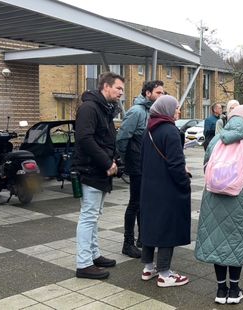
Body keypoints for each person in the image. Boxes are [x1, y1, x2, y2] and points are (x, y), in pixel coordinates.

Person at [195, 105, 243, 305]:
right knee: (236, 242)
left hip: (213, 198)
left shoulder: (216, 141)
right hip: (240, 200)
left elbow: (206, 167)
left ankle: (220, 290)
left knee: (217, 242)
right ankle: (234, 290)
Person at [73, 72, 124, 279]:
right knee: (88, 216)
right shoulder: (89, 108)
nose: (121, 92)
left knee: (94, 215)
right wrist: (106, 162)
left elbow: (107, 139)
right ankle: (84, 263)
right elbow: (84, 138)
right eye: (118, 88)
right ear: (106, 86)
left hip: (100, 171)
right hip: (90, 170)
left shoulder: (104, 109)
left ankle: (93, 255)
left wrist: (115, 161)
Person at [139, 95, 191, 287]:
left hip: (149, 187)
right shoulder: (170, 131)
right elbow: (176, 164)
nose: (179, 111)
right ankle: (165, 274)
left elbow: (142, 159)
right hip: (167, 189)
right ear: (167, 109)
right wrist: (185, 182)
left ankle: (148, 268)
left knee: (150, 225)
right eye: (177, 108)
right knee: (167, 228)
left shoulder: (149, 130)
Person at [116, 80, 164, 258]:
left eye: (162, 93)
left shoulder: (152, 111)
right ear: (148, 93)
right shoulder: (136, 112)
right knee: (135, 203)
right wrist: (125, 160)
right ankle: (128, 242)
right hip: (137, 164)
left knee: (144, 203)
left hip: (147, 164)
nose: (161, 96)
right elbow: (122, 138)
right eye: (158, 93)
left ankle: (142, 238)